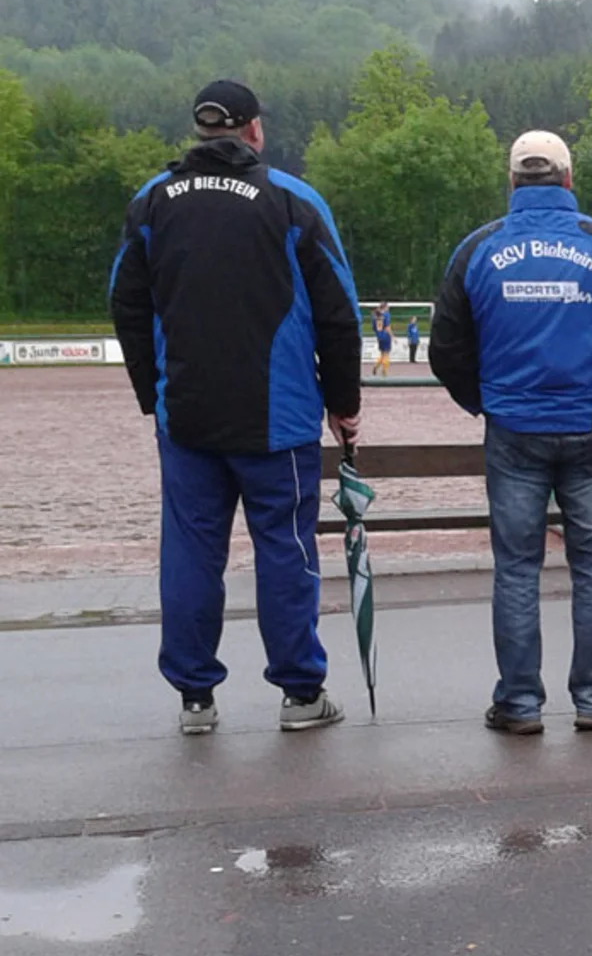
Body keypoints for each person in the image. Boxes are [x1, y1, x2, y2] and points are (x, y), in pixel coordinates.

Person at [108, 79, 362, 735]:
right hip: (279, 422)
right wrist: (344, 404)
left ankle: (195, 698)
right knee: (285, 551)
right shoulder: (293, 198)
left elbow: (125, 303)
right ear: (254, 131)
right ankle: (301, 694)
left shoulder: (152, 200)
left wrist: (152, 395)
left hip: (187, 417)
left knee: (191, 553)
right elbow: (339, 313)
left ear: (201, 131)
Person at [430, 130, 592, 734]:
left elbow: (446, 349)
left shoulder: (478, 249)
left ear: (512, 181)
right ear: (568, 178)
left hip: (513, 429)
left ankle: (518, 703)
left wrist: (486, 403)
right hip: (591, 426)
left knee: (516, 568)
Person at [372, 301, 393, 377]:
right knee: (386, 353)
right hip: (386, 336)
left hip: (379, 336)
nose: (388, 308)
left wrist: (378, 334)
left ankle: (376, 366)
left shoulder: (375, 316)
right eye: (388, 307)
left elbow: (374, 328)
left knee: (382, 353)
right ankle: (384, 371)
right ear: (385, 307)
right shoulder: (386, 315)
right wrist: (392, 336)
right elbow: (387, 327)